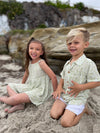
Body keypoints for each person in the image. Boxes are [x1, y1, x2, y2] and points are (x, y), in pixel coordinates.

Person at [50, 27, 100, 127]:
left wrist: (81, 87)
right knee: (54, 115)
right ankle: (68, 107)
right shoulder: (68, 63)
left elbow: (97, 82)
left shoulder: (88, 64)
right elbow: (63, 77)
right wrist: (59, 88)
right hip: (65, 95)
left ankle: (83, 109)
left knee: (65, 123)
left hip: (78, 98)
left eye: (76, 43)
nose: (72, 45)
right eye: (69, 43)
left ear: (86, 45)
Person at [0, 37, 58, 113]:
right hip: (31, 86)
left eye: (37, 49)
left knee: (13, 99)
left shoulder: (41, 63)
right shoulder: (29, 62)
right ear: (28, 50)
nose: (34, 51)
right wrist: (21, 87)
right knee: (9, 86)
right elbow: (26, 74)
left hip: (40, 90)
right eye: (31, 48)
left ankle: (2, 98)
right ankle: (20, 104)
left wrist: (55, 91)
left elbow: (53, 77)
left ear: (41, 52)